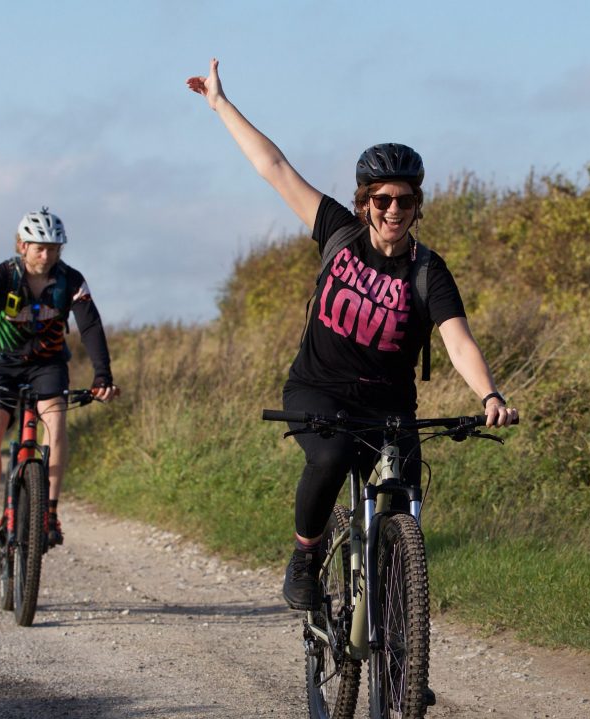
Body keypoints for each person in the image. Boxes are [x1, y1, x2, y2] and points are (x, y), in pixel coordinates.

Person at [187, 58, 519, 610]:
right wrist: (221, 104)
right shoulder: (338, 232)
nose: (393, 210)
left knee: (404, 501)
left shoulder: (427, 270)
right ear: (364, 202)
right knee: (332, 455)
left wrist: (489, 394)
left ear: (418, 205)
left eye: (405, 200)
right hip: (318, 390)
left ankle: (400, 643)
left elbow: (458, 340)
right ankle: (306, 557)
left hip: (389, 404)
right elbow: (275, 166)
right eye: (382, 200)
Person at [0, 207, 119, 564]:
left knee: (54, 421)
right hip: (1, 364)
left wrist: (103, 375)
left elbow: (90, 328)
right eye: (39, 247)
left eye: (54, 247)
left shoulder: (71, 281)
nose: (46, 254)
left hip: (48, 365)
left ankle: (49, 511)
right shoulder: (1, 276)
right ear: (21, 245)